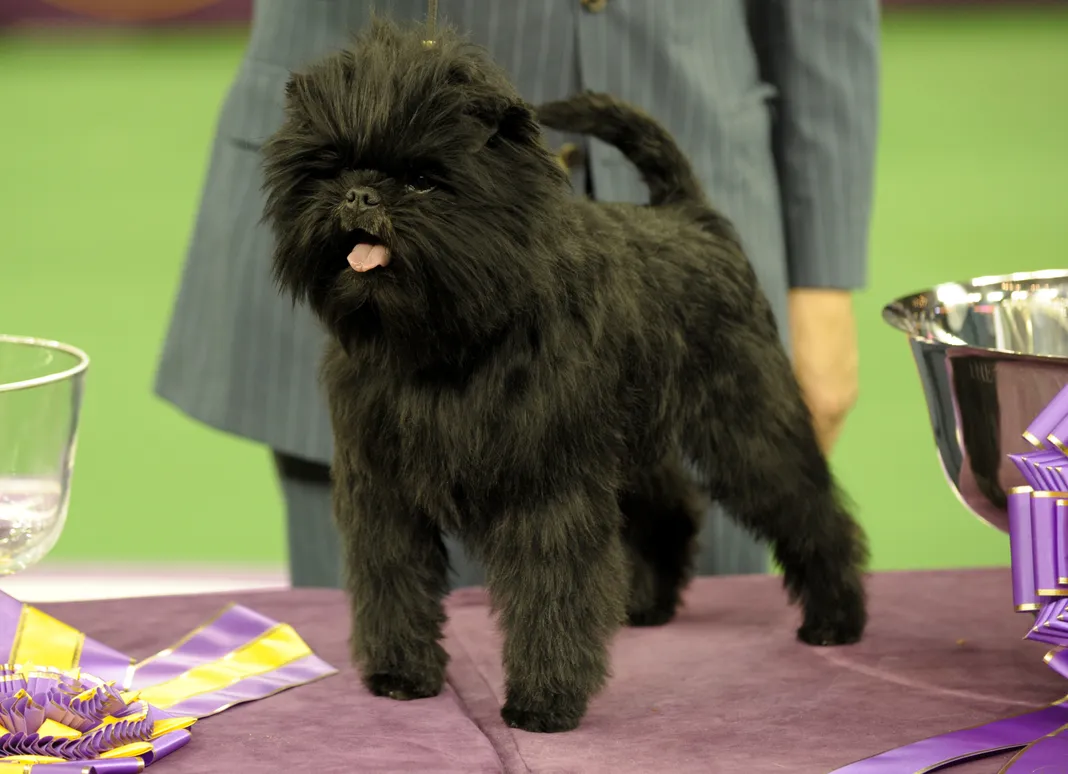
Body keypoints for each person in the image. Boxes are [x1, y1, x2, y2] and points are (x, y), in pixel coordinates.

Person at [155, 0, 879, 588]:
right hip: (354, 230)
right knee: (392, 718)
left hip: (684, 255)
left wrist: (822, 273)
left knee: (710, 701)